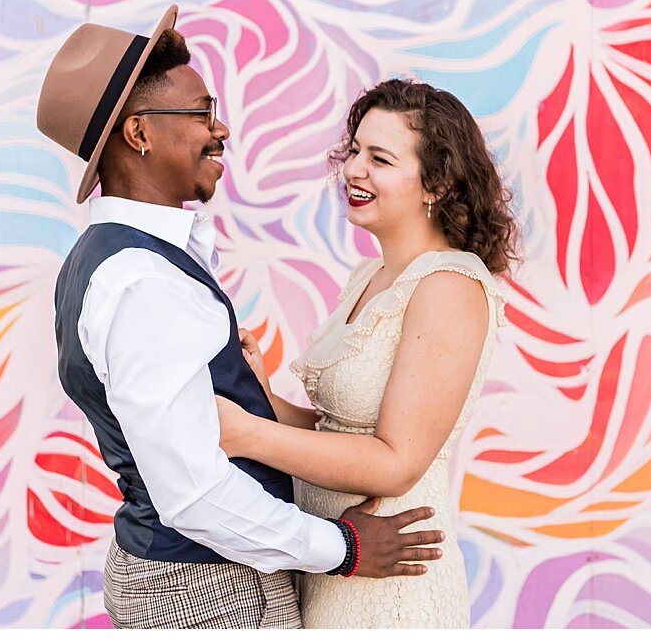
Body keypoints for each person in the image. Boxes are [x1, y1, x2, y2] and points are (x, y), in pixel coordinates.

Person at [35, 8, 443, 629]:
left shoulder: (116, 259)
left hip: (194, 575)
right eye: (200, 112)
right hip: (208, 590)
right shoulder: (142, 280)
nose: (220, 127)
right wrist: (344, 548)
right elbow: (193, 494)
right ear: (139, 133)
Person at [215, 77, 520, 628]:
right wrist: (256, 396)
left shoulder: (448, 284)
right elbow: (337, 432)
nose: (353, 169)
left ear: (438, 182)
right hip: (341, 565)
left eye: (379, 158)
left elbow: (396, 461)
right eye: (355, 150)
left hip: (394, 588)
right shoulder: (372, 277)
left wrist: (247, 432)